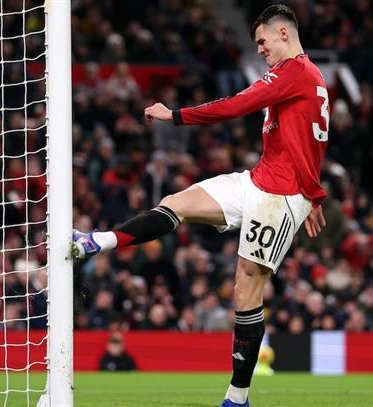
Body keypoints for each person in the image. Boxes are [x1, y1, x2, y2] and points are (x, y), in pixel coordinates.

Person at [72, 5, 328, 406]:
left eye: (262, 41)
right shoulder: (305, 77)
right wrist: (314, 194)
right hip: (258, 180)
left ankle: (237, 398)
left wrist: (174, 115)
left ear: (284, 34)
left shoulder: (295, 71)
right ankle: (96, 242)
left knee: (245, 290)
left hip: (280, 197)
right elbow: (309, 142)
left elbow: (235, 106)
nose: (260, 49)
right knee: (176, 203)